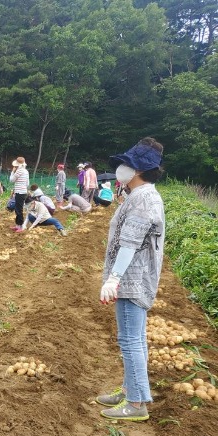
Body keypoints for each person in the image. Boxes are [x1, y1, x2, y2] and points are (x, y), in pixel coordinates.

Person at [96, 137, 165, 421]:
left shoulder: (144, 199)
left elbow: (129, 243)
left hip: (132, 279)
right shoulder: (140, 195)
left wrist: (114, 278)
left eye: (126, 164)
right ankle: (130, 389)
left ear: (137, 170)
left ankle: (136, 404)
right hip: (134, 276)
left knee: (130, 341)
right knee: (135, 338)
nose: (121, 168)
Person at [9, 156, 30, 232]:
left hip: (19, 192)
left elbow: (11, 180)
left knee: (18, 210)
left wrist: (12, 171)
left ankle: (20, 226)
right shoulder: (26, 171)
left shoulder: (19, 171)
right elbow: (27, 183)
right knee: (18, 209)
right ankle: (18, 225)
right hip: (23, 192)